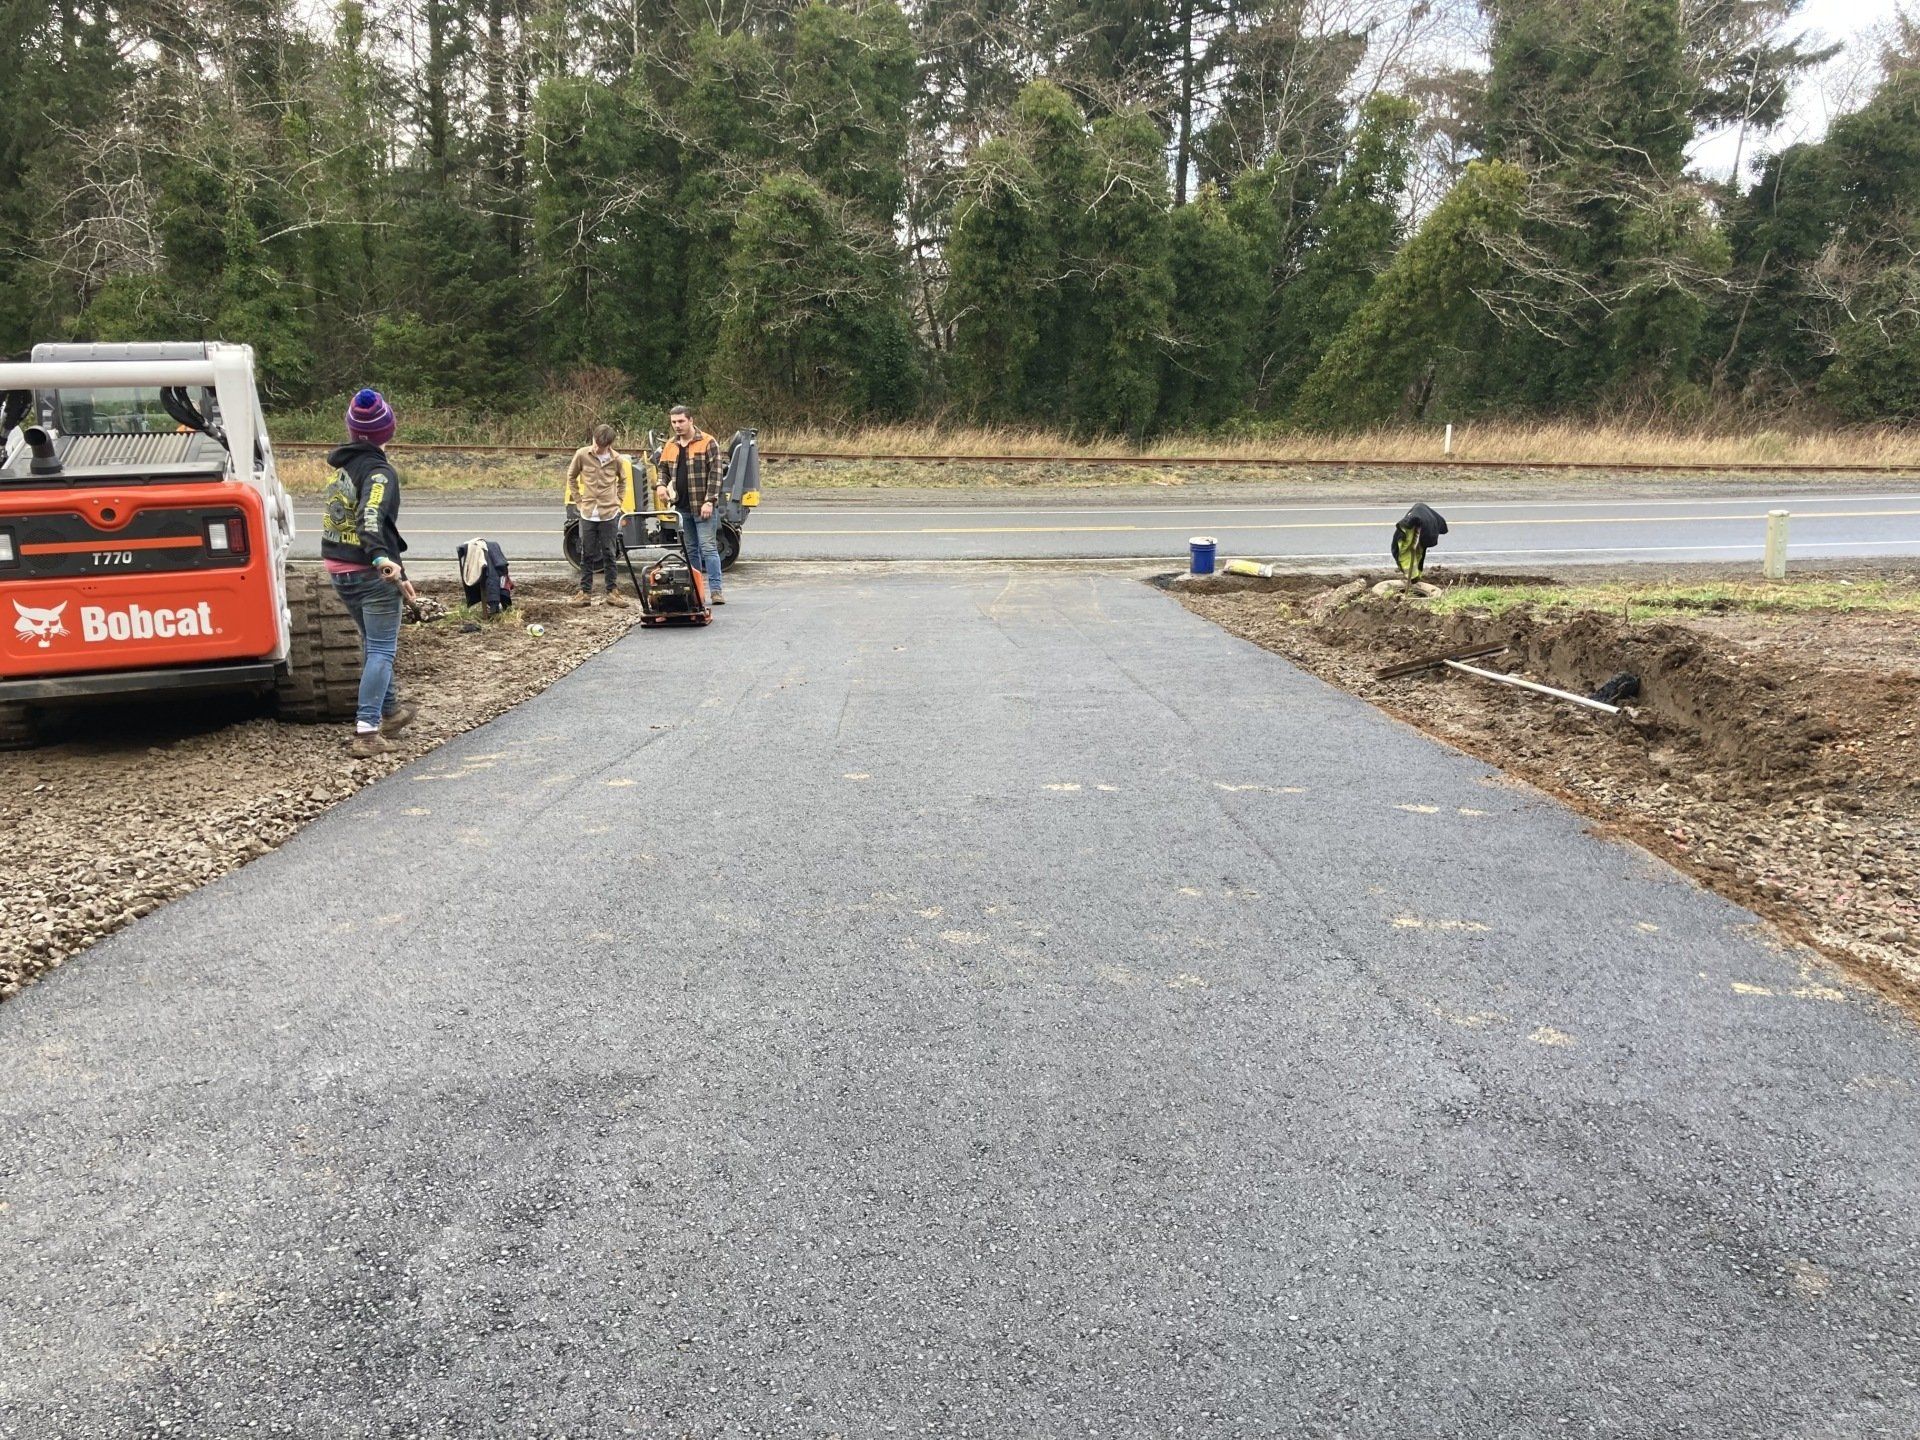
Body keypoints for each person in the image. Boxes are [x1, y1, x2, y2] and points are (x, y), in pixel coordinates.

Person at [320, 388, 418, 759]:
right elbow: (370, 519)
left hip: (338, 566)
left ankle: (389, 711)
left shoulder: (344, 468)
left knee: (370, 640)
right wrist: (382, 561)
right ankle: (367, 730)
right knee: (380, 648)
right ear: (387, 430)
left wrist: (396, 567)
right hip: (368, 570)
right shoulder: (379, 474)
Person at [653, 404, 725, 605]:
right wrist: (660, 486)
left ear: (691, 420)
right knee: (691, 549)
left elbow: (716, 474)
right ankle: (695, 590)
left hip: (702, 507)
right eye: (674, 422)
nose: (677, 425)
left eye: (681, 421)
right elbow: (663, 469)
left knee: (708, 548)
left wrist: (709, 501)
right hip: (682, 507)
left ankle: (716, 590)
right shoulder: (670, 445)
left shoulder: (708, 442)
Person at [565, 423, 631, 608]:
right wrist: (578, 501)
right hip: (587, 513)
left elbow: (623, 480)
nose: (596, 448)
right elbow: (571, 477)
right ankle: (585, 593)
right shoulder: (582, 454)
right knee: (587, 554)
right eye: (595, 443)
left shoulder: (616, 459)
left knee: (610, 553)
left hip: (609, 513)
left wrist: (618, 501)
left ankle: (612, 592)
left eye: (601, 446)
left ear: (609, 445)